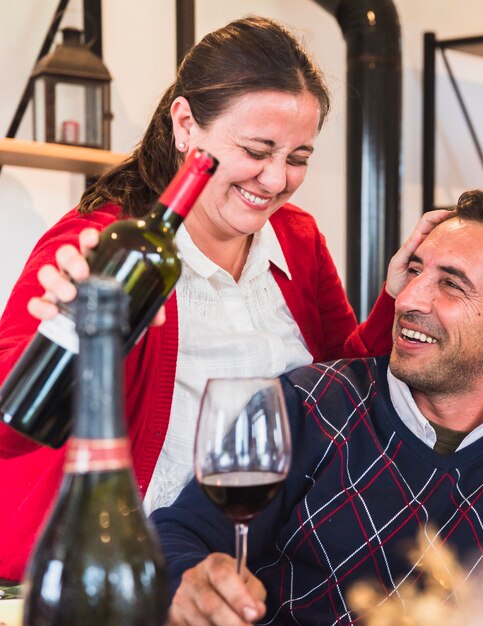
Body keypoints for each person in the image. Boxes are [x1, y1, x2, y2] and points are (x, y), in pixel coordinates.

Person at [0, 15, 450, 582]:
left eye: (299, 157)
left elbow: (344, 385)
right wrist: (65, 336)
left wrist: (395, 297)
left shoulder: (298, 238)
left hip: (267, 569)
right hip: (129, 574)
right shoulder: (99, 244)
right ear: (186, 124)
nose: (276, 179)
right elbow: (9, 427)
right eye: (257, 149)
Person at [152, 188, 483, 626]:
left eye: (451, 285)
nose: (410, 297)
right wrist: (188, 580)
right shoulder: (304, 405)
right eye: (416, 271)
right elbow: (178, 534)